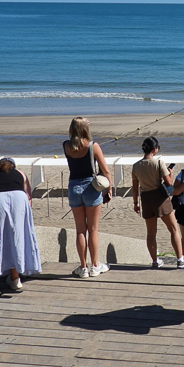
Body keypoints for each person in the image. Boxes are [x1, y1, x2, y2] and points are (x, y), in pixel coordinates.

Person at [0, 158, 42, 297]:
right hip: (19, 198)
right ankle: (15, 278)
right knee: (17, 237)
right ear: (12, 166)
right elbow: (29, 198)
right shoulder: (21, 174)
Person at [64, 117, 112, 278]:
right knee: (93, 229)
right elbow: (106, 171)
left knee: (80, 230)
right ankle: (95, 265)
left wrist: (81, 125)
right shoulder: (93, 146)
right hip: (91, 187)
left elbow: (76, 141)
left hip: (74, 187)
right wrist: (108, 189)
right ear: (86, 129)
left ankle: (83, 267)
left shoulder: (66, 146)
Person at [132, 137, 184, 268]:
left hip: (146, 198)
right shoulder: (158, 163)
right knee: (173, 229)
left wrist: (135, 203)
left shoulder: (136, 166)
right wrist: (171, 173)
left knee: (151, 233)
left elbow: (135, 188)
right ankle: (180, 259)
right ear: (155, 149)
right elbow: (169, 183)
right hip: (160, 197)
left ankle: (155, 261)